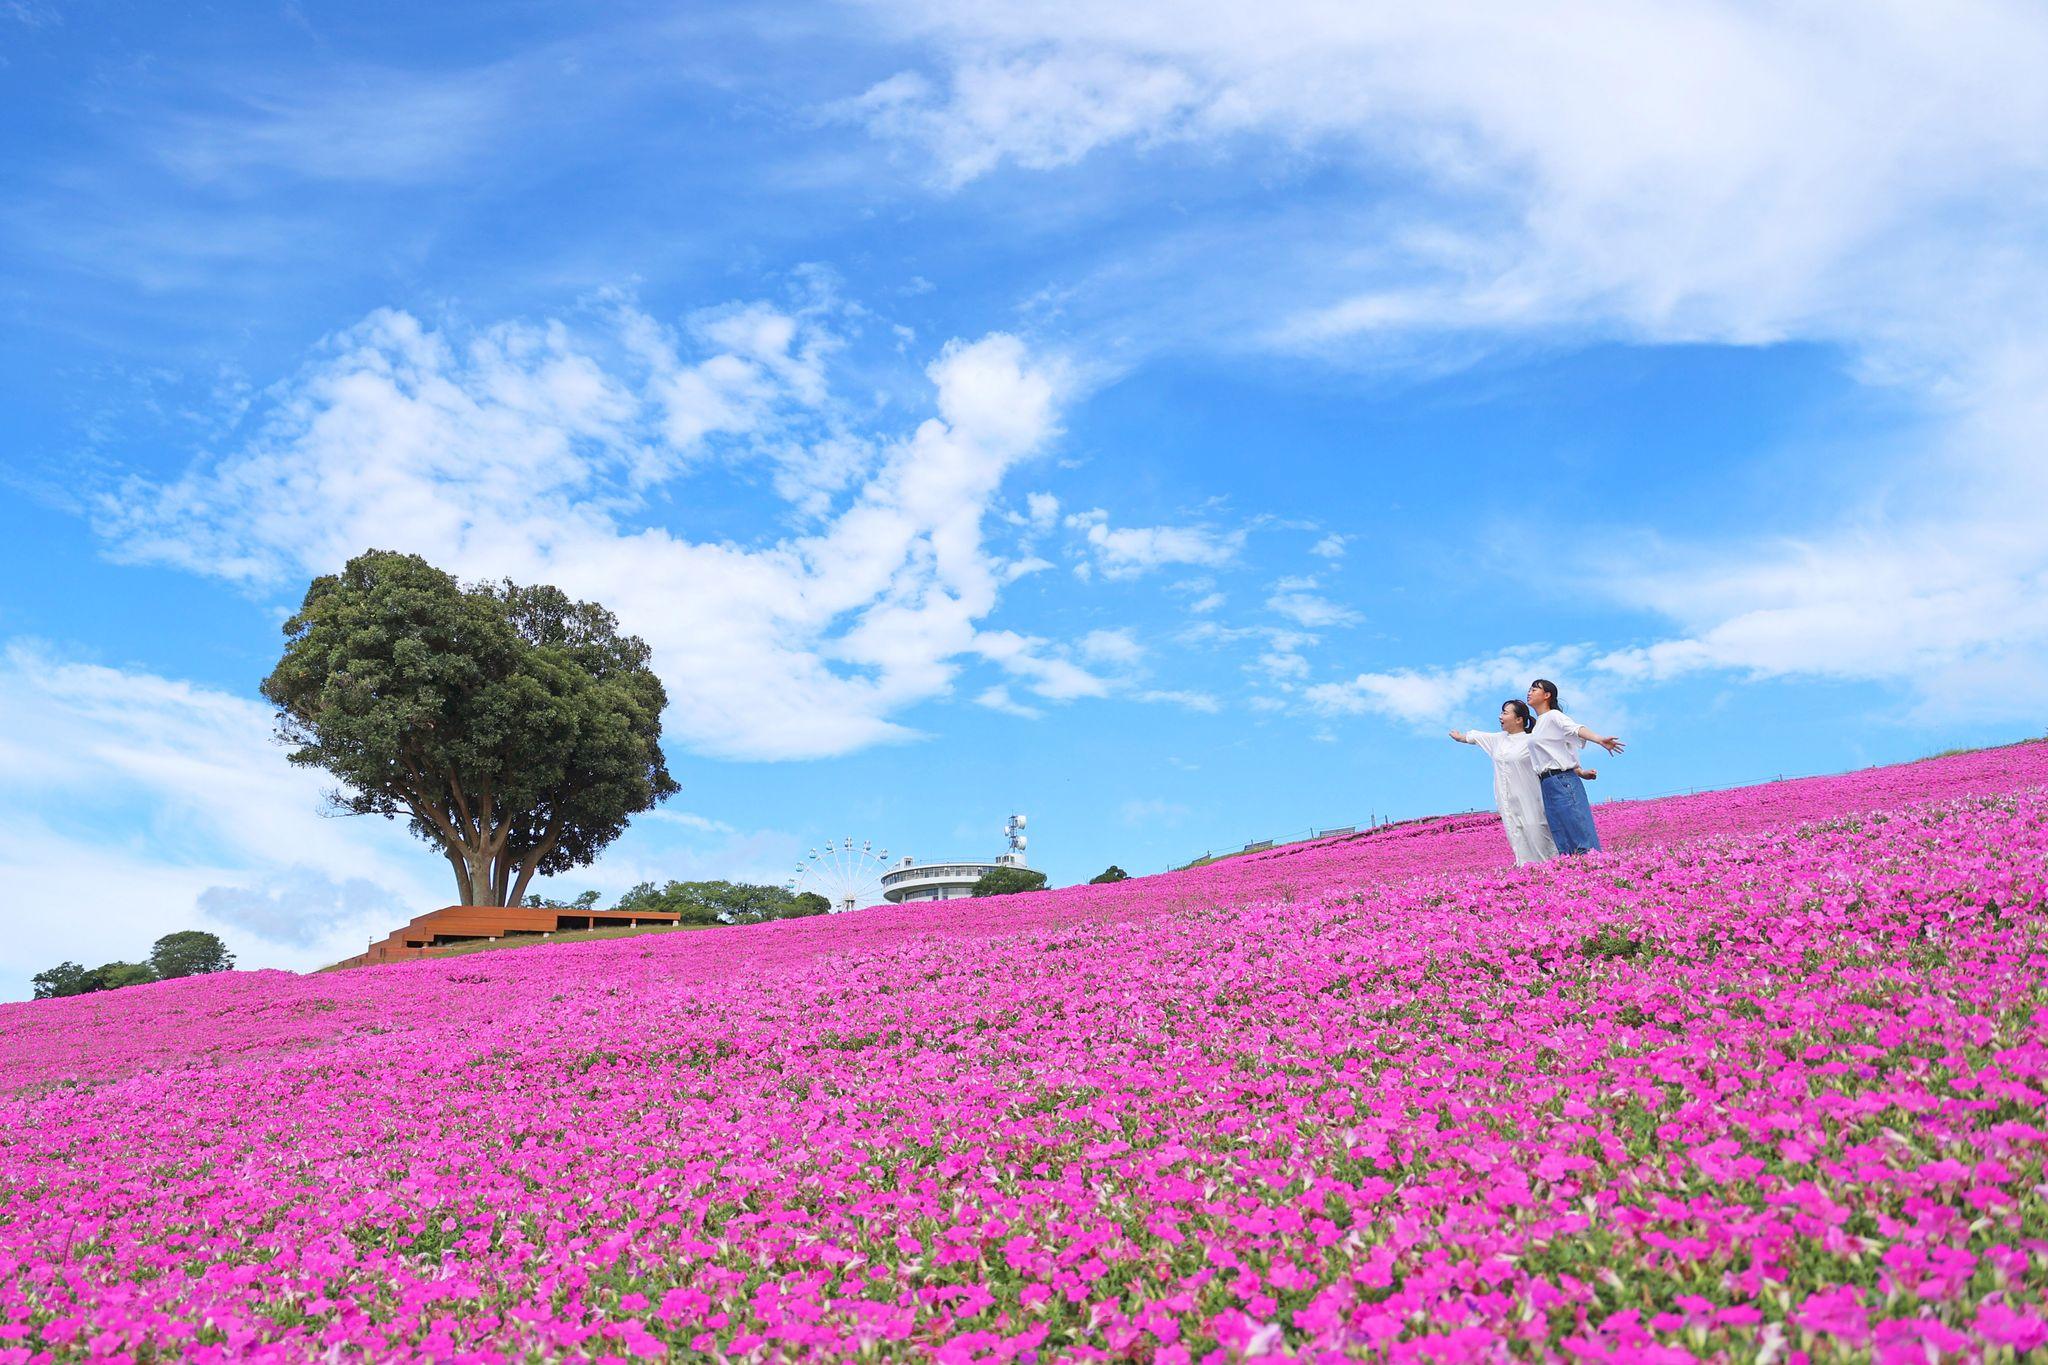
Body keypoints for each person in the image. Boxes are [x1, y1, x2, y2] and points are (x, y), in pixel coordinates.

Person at [1448, 700, 1557, 865]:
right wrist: (1459, 737)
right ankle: (1527, 871)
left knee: (1537, 831)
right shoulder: (1498, 739)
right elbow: (1473, 737)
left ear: (1519, 719)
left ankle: (1554, 868)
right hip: (1506, 800)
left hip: (1530, 798)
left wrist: (1579, 771)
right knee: (1516, 834)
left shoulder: (1531, 740)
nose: (1500, 716)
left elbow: (1553, 759)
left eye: (1505, 713)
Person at [1526, 678, 1623, 854]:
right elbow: (1565, 748)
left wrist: (1598, 739)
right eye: (1530, 689)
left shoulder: (1553, 716)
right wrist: (1581, 771)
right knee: (1561, 834)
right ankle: (1574, 873)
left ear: (1547, 695)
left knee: (1578, 831)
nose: (1529, 692)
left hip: (1562, 780)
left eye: (1535, 689)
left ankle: (1594, 869)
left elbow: (1575, 729)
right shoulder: (1539, 724)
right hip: (1547, 783)